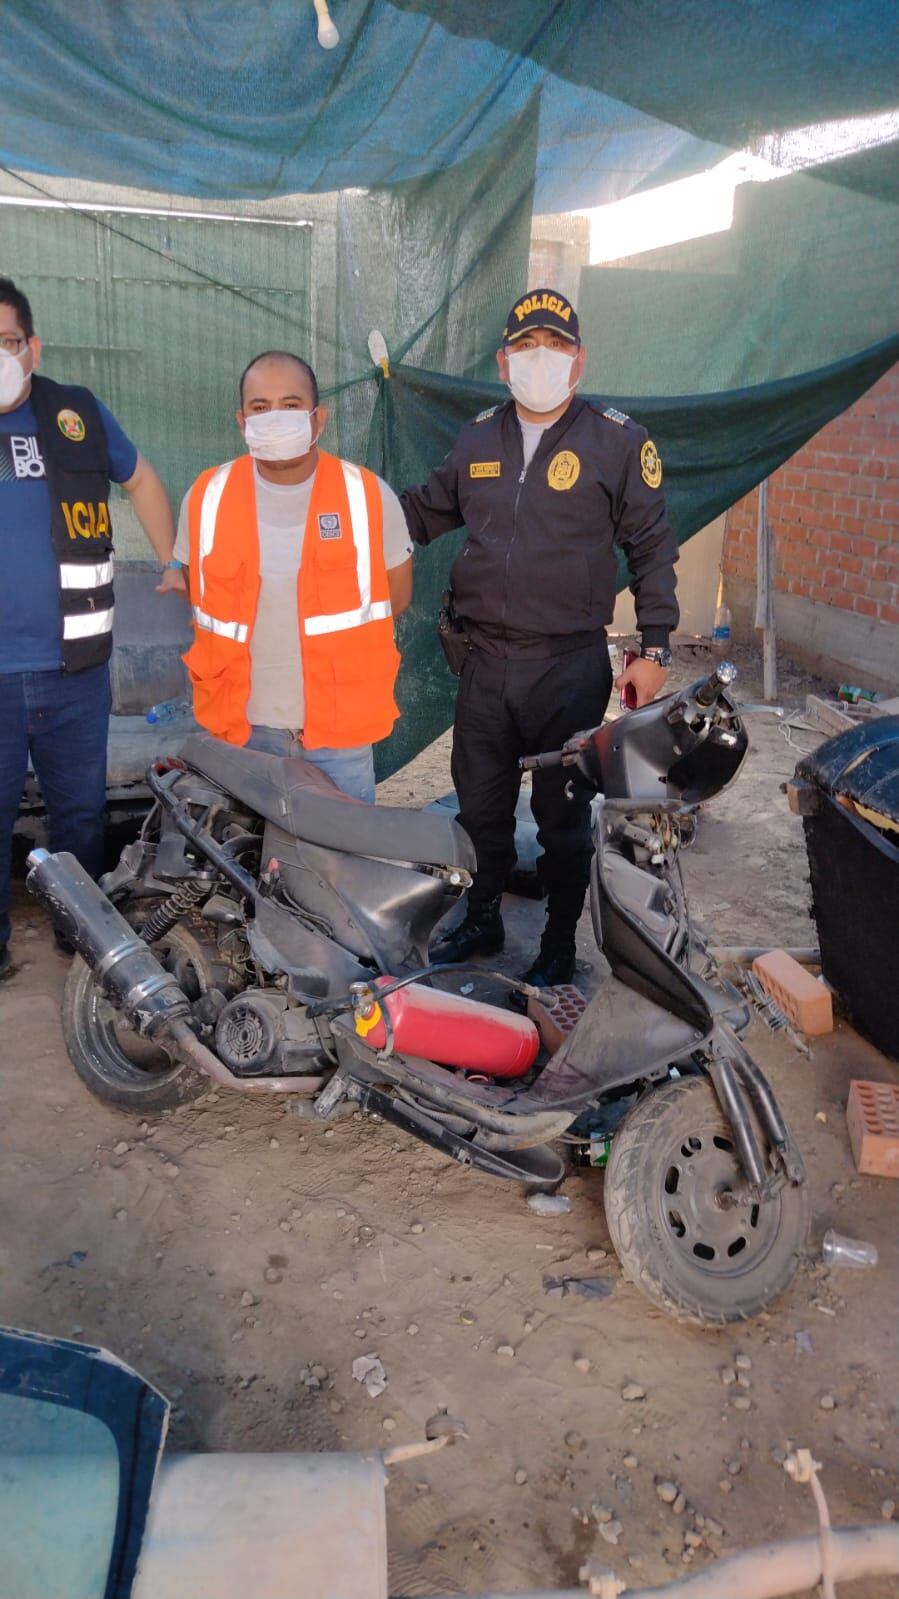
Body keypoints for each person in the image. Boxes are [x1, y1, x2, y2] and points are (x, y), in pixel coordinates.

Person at [400, 288, 679, 986]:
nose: (539, 359)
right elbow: (419, 514)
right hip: (485, 663)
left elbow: (651, 549)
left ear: (578, 359)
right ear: (502, 361)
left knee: (561, 814)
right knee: (481, 804)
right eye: (525, 347)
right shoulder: (476, 438)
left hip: (566, 665)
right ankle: (484, 913)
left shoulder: (616, 441)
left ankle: (559, 940)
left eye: (553, 346)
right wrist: (342, 500)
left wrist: (654, 649)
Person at [0, 276, 183, 982]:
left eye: (7, 341)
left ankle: (78, 936)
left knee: (79, 816)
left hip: (72, 670)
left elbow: (140, 479)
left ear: (32, 346)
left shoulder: (75, 413)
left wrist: (172, 560)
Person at [174, 351, 413, 804]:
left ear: (318, 418)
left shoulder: (368, 497)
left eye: (290, 404)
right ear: (241, 421)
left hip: (338, 744)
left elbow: (395, 596)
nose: (274, 418)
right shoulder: (206, 497)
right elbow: (200, 597)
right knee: (241, 870)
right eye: (260, 408)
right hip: (239, 737)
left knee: (340, 869)